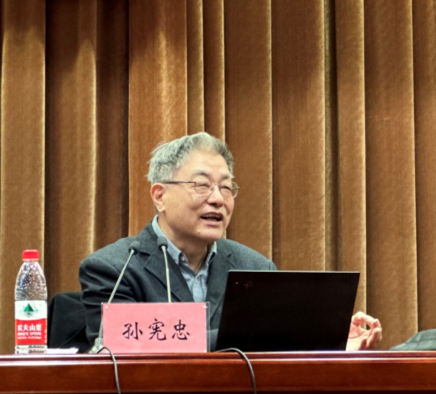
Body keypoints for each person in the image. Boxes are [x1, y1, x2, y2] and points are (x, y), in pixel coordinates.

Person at [79, 132, 382, 351]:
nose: (217, 199)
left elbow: (276, 355)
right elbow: (118, 347)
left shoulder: (255, 268)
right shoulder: (115, 268)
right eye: (202, 185)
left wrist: (328, 338)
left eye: (226, 188)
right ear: (160, 196)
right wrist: (258, 334)